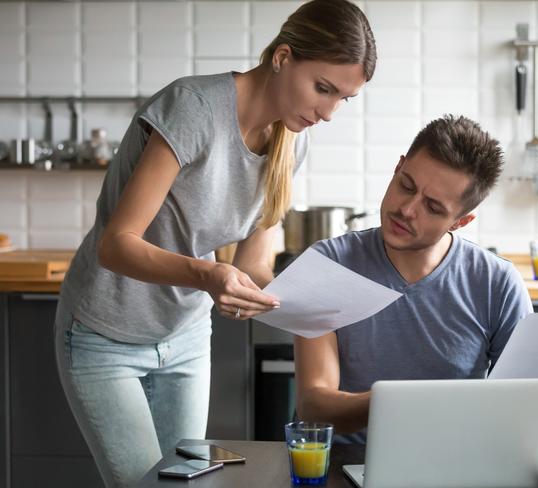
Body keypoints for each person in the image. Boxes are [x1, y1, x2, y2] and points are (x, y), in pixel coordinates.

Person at [53, 1, 376, 486]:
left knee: (189, 484)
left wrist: (310, 301)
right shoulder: (193, 108)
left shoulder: (293, 140)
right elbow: (116, 245)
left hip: (184, 337)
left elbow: (254, 263)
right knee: (145, 483)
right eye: (323, 88)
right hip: (105, 335)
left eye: (343, 99)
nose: (328, 112)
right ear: (283, 57)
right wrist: (208, 274)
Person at [294, 115, 538, 446]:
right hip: (339, 466)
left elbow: (528, 434)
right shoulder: (329, 264)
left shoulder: (497, 283)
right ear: (398, 168)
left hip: (454, 465)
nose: (407, 210)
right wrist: (404, 402)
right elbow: (314, 407)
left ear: (461, 221)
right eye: (406, 185)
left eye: (433, 207)